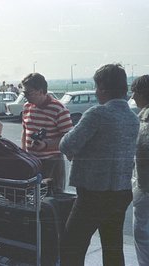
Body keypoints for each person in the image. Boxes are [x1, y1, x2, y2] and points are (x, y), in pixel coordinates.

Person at [59, 64, 139, 266]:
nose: (95, 91)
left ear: (103, 88)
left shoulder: (97, 114)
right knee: (113, 247)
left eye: (96, 87)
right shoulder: (133, 118)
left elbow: (67, 144)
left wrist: (76, 152)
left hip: (93, 193)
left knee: (71, 245)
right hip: (121, 192)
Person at [20, 73, 73, 193]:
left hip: (52, 163)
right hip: (32, 162)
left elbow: (69, 139)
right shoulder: (27, 107)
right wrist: (23, 153)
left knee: (51, 199)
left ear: (40, 91)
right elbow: (25, 131)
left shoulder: (59, 109)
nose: (25, 96)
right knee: (33, 199)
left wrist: (46, 144)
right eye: (24, 93)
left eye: (28, 93)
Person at [130, 75, 149, 266]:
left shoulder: (144, 118)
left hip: (145, 186)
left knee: (142, 233)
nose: (132, 96)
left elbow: (141, 150)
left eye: (134, 91)